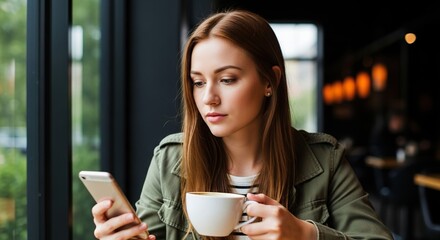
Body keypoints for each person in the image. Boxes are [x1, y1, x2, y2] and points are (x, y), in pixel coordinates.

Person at [91, 9, 393, 240]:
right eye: (198, 82)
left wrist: (305, 234)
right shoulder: (171, 158)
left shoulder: (323, 159)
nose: (208, 97)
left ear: (269, 81)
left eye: (227, 79)